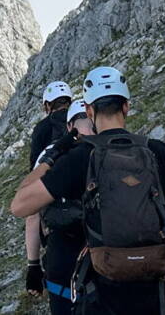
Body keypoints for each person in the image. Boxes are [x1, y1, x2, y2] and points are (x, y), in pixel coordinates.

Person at [10, 67, 165, 315]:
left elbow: (20, 206)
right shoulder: (157, 151)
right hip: (156, 292)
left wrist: (53, 155)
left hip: (102, 295)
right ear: (126, 107)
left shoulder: (80, 157)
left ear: (90, 111)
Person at [29, 98, 95, 314]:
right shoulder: (120, 149)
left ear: (68, 126)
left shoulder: (55, 155)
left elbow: (29, 212)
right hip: (113, 253)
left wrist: (33, 266)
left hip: (63, 256)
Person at [25, 81, 74, 295]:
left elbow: (33, 184)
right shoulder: (86, 124)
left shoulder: (43, 129)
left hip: (58, 227)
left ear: (47, 106)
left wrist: (33, 266)